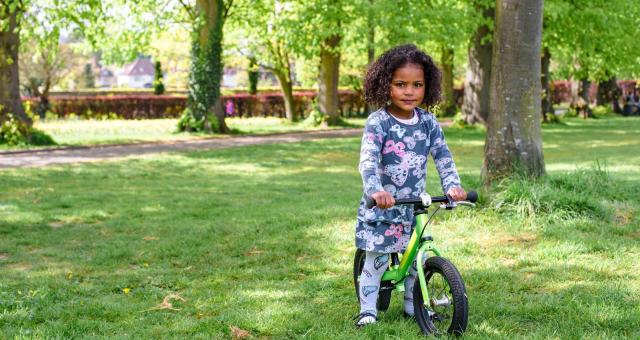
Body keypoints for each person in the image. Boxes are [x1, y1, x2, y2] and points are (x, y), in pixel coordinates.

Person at [354, 44, 467, 327]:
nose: (409, 91)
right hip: (383, 206)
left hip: (413, 207)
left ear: (427, 87)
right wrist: (375, 191)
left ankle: (411, 305)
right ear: (385, 85)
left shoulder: (428, 122)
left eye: (417, 85)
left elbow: (443, 156)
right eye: (400, 84)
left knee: (417, 259)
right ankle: (368, 309)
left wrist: (453, 186)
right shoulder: (379, 122)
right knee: (377, 262)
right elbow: (367, 160)